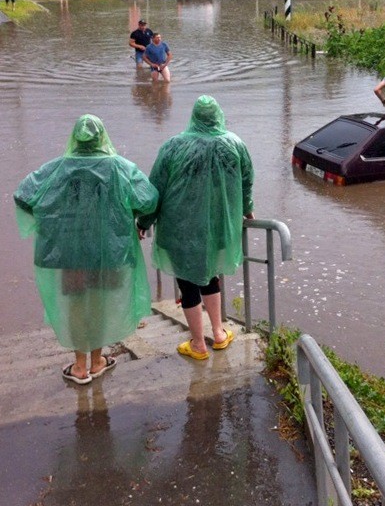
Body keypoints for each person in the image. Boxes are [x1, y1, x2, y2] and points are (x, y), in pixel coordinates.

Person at [14, 115, 158, 385]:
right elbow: (148, 198)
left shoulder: (57, 169)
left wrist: (49, 219)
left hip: (71, 251)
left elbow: (24, 194)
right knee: (100, 303)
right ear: (102, 137)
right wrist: (130, 214)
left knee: (78, 304)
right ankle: (97, 361)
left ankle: (80, 366)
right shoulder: (119, 167)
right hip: (109, 250)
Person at [137, 96, 255, 361]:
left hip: (180, 227)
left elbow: (155, 189)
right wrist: (247, 208)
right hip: (217, 226)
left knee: (188, 283)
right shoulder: (234, 144)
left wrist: (143, 222)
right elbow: (246, 182)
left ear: (193, 117)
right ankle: (219, 333)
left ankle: (199, 344)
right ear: (218, 116)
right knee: (210, 275)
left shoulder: (174, 146)